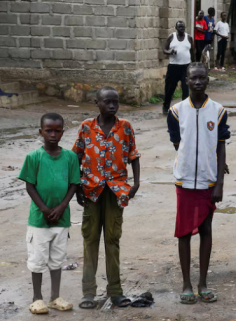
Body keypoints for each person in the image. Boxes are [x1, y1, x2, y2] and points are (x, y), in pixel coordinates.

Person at [167, 62, 230, 305]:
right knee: (184, 233)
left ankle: (203, 283)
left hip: (208, 181)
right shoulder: (176, 111)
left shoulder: (218, 110)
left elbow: (221, 144)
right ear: (186, 80)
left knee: (205, 230)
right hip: (183, 180)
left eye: (202, 78)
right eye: (193, 78)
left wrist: (219, 182)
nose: (198, 82)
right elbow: (177, 143)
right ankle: (186, 284)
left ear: (208, 80)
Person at [72, 87, 141, 309]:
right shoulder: (86, 127)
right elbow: (75, 157)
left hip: (116, 192)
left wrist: (136, 183)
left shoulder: (125, 127)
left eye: (115, 102)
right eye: (107, 102)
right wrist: (76, 188)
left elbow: (133, 156)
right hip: (91, 191)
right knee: (90, 240)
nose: (112, 106)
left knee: (112, 240)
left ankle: (115, 291)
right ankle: (88, 293)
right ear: (97, 103)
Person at [19, 113, 80, 315]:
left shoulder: (70, 157)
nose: (53, 134)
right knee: (37, 259)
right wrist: (44, 209)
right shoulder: (34, 157)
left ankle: (55, 297)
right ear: (41, 132)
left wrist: (62, 206)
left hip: (61, 219)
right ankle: (37, 298)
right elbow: (30, 186)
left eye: (57, 130)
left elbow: (73, 184)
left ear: (63, 131)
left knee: (57, 259)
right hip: (39, 220)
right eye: (48, 130)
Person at [163, 21, 193, 114]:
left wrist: (194, 65)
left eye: (183, 27)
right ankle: (166, 107)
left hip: (186, 67)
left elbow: (193, 51)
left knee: (185, 89)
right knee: (170, 88)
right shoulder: (172, 37)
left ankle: (184, 109)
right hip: (173, 67)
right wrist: (170, 52)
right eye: (180, 27)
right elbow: (164, 50)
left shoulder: (189, 37)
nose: (181, 29)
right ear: (176, 28)